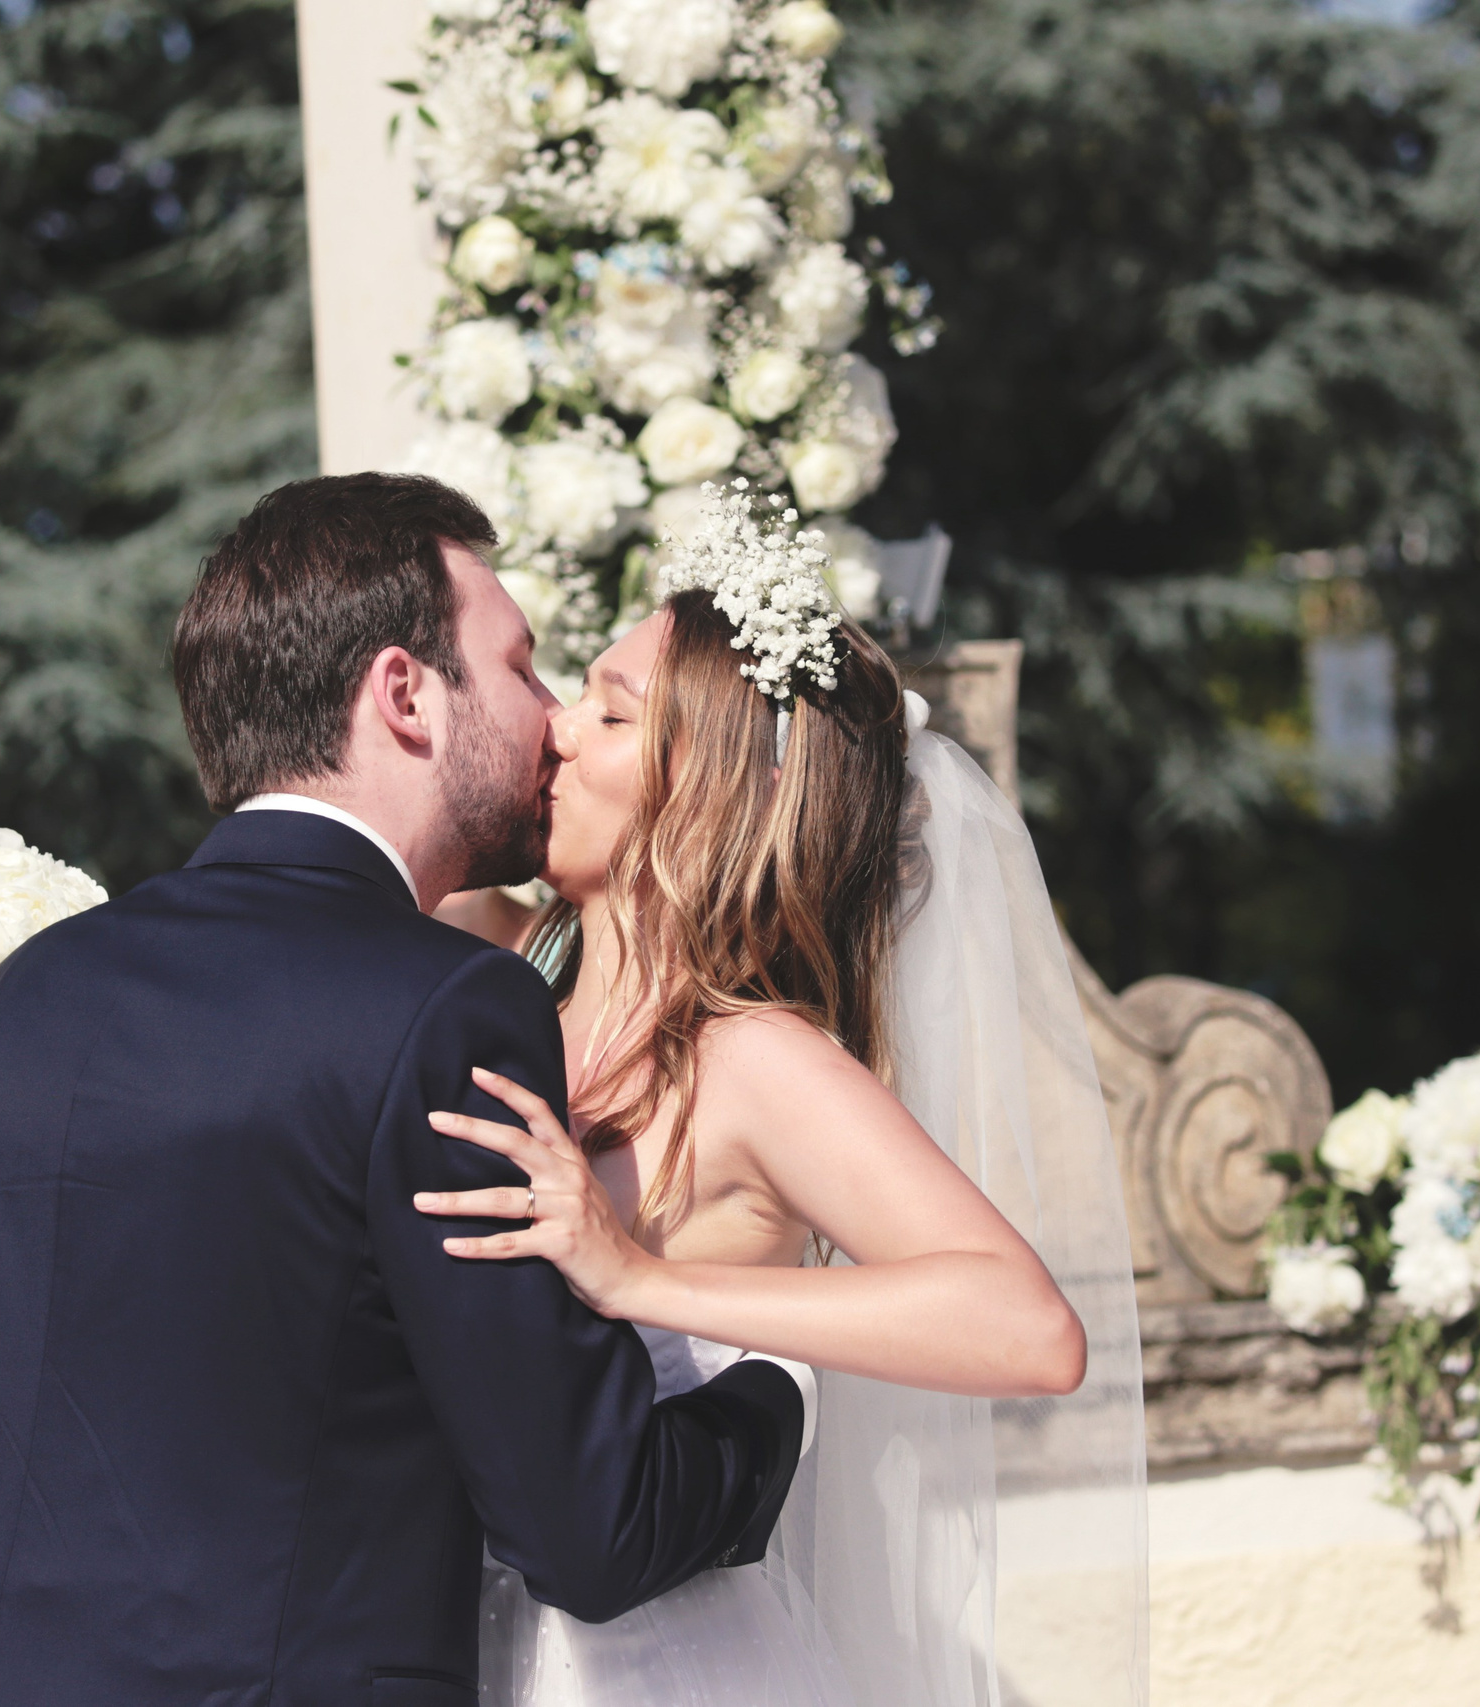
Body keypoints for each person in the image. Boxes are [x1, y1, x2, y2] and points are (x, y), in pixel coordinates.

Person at [0, 474, 813, 1707]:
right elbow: (590, 1527)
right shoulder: (443, 1007)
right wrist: (769, 1398)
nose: (552, 721)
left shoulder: (9, 1003)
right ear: (406, 694)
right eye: (521, 668)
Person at [419, 488, 1147, 1707]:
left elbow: (1028, 1330)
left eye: (605, 709)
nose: (552, 733)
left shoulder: (752, 1058)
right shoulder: (508, 997)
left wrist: (641, 1278)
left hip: (651, 1666)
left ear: (703, 785)